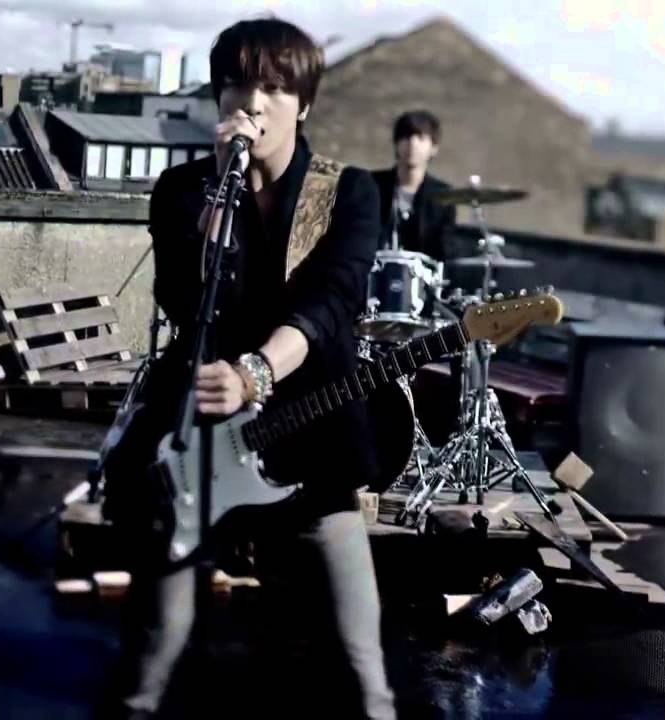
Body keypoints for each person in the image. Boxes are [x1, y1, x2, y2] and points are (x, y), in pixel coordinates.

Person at [100, 17, 395, 720]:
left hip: (309, 437)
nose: (253, 102)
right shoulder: (182, 191)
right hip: (196, 442)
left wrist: (257, 371)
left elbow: (331, 303)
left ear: (304, 102)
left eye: (274, 87)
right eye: (237, 84)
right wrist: (218, 200)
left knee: (360, 667)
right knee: (152, 652)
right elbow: (183, 295)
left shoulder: (348, 192)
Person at [370, 110, 457, 260]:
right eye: (406, 137)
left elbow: (444, 252)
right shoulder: (373, 185)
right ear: (396, 143)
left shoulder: (443, 195)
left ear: (434, 148)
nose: (412, 144)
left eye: (421, 138)